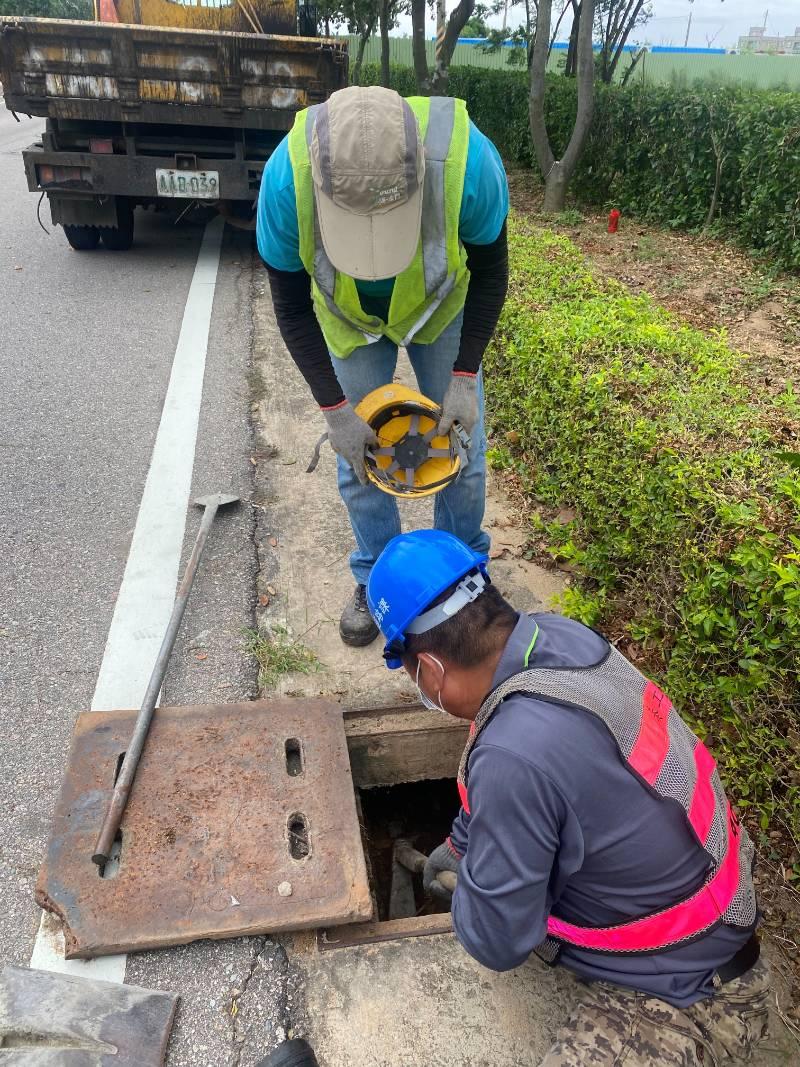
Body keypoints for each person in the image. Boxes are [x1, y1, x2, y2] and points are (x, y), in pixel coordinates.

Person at [366, 529, 770, 1066]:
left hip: (699, 998)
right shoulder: (559, 642)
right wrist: (464, 843)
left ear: (432, 668)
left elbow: (497, 942)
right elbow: (547, 774)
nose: (420, 689)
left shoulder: (513, 755)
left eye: (412, 671)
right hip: (721, 926)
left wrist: (472, 896)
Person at [257, 85, 509, 647]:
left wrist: (464, 376)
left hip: (440, 309)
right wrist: (335, 411)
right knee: (360, 454)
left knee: (462, 447)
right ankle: (376, 579)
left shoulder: (467, 162)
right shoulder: (286, 178)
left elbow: (492, 271)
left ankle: (461, 576)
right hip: (350, 320)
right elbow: (291, 307)